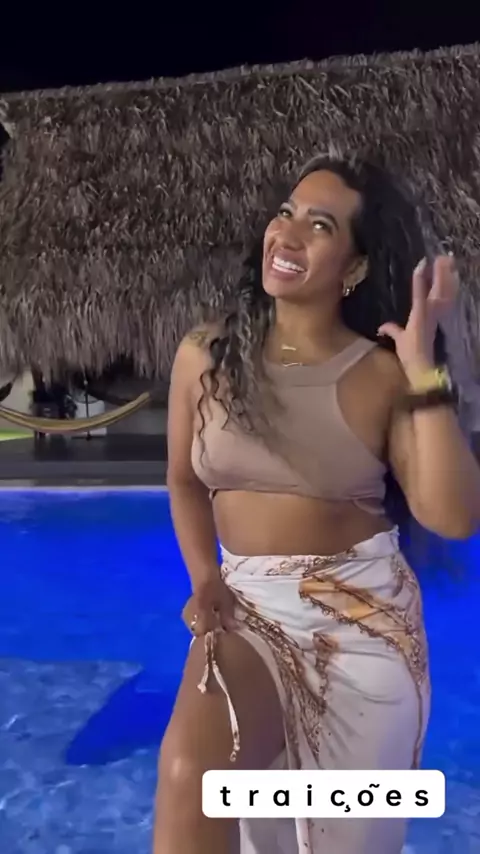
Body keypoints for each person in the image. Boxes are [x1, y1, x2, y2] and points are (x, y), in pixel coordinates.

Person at [152, 152, 480, 854]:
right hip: (247, 607)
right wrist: (205, 577)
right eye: (286, 213)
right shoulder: (203, 356)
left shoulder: (380, 375)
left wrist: (424, 375)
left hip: (361, 626)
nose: (289, 233)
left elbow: (452, 516)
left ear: (353, 267)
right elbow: (185, 480)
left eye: (320, 225)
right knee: (190, 772)